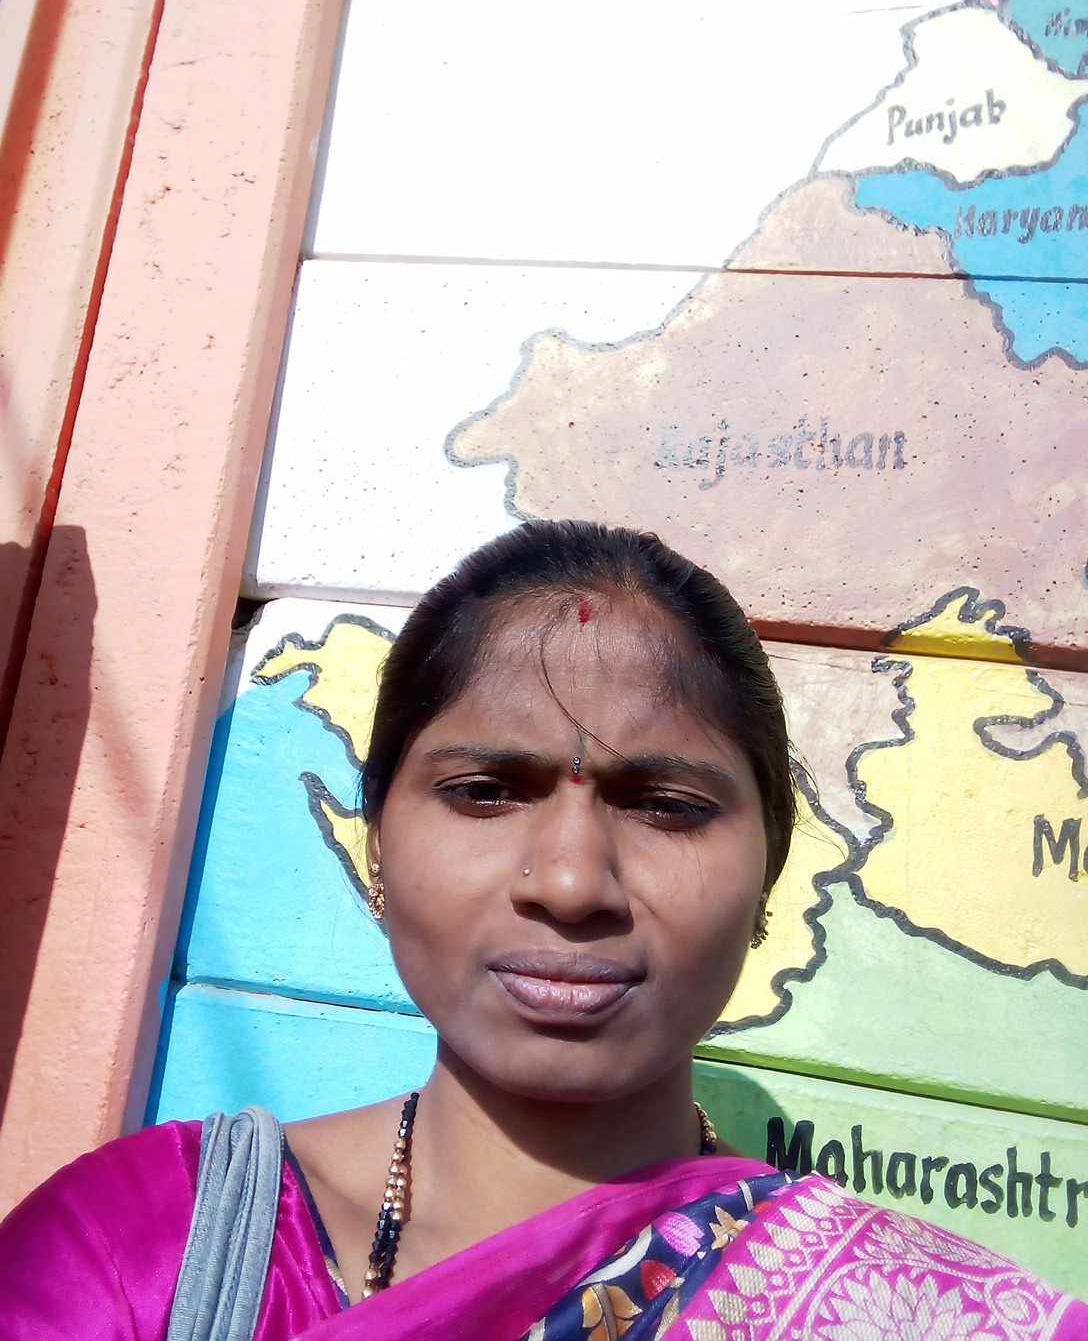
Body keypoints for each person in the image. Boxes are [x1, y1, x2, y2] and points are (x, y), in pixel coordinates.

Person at [0, 520, 1084, 1340]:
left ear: (768, 877)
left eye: (666, 806)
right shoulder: (137, 1255)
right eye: (484, 791)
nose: (569, 883)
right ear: (377, 842)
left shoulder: (902, 1311)